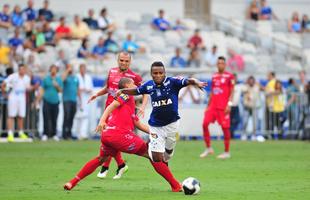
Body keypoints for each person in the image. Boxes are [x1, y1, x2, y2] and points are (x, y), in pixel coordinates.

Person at [64, 77, 182, 192]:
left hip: (107, 135)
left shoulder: (129, 105)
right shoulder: (126, 95)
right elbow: (111, 106)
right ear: (127, 86)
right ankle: (176, 185)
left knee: (101, 159)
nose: (136, 86)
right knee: (151, 153)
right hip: (119, 134)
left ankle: (72, 183)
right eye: (133, 84)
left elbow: (138, 124)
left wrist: (158, 133)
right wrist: (102, 120)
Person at [117, 61, 207, 163]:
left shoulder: (173, 82)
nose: (158, 75)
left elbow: (189, 80)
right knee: (157, 158)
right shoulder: (149, 85)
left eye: (161, 73)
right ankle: (155, 151)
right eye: (155, 73)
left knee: (167, 154)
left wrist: (196, 82)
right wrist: (122, 90)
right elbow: (136, 91)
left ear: (164, 73)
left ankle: (168, 150)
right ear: (151, 74)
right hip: (156, 126)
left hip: (172, 123)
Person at [88, 51, 148, 179]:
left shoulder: (134, 77)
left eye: (126, 61)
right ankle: (119, 165)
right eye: (121, 60)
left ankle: (106, 167)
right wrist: (97, 94)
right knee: (108, 139)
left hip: (122, 111)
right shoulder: (112, 72)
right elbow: (108, 88)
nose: (124, 63)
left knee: (111, 139)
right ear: (118, 60)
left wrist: (142, 106)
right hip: (110, 110)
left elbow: (145, 92)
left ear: (130, 62)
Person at [200, 56, 235, 159]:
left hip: (223, 107)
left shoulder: (229, 76)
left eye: (222, 63)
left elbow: (232, 91)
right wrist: (207, 106)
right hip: (213, 106)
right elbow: (212, 91)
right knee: (205, 124)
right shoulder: (214, 76)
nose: (220, 65)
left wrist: (229, 104)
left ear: (225, 64)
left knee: (225, 129)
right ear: (217, 64)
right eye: (218, 63)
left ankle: (227, 152)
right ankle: (208, 148)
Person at [1, 64, 32, 142]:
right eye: (20, 69)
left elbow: (28, 88)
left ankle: (21, 132)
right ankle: (10, 134)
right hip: (13, 96)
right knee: (11, 115)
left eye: (23, 69)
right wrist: (4, 94)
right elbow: (3, 84)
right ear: (18, 70)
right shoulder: (13, 76)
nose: (22, 71)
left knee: (21, 115)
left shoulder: (27, 78)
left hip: (22, 97)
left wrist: (33, 87)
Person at [36, 65, 63, 141]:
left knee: (54, 118)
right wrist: (38, 100)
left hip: (55, 101)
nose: (53, 71)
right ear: (50, 70)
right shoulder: (46, 79)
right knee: (46, 117)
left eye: (55, 69)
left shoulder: (58, 79)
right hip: (47, 100)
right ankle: (45, 134)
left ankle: (54, 134)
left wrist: (57, 85)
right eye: (52, 69)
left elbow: (61, 90)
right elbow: (42, 89)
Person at [73, 64, 93, 140]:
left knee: (85, 116)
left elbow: (91, 88)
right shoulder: (76, 77)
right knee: (78, 116)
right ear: (79, 69)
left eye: (84, 68)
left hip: (86, 99)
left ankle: (83, 134)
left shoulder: (88, 77)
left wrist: (86, 90)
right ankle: (76, 133)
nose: (83, 70)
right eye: (82, 68)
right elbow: (75, 88)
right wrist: (81, 90)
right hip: (78, 98)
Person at [61, 64, 80, 140]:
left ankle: (69, 133)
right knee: (67, 116)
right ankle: (64, 134)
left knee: (72, 117)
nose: (70, 69)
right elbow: (62, 79)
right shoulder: (66, 77)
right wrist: (67, 71)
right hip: (66, 100)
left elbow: (77, 89)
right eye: (69, 68)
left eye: (71, 68)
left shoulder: (75, 78)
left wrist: (80, 100)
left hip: (74, 100)